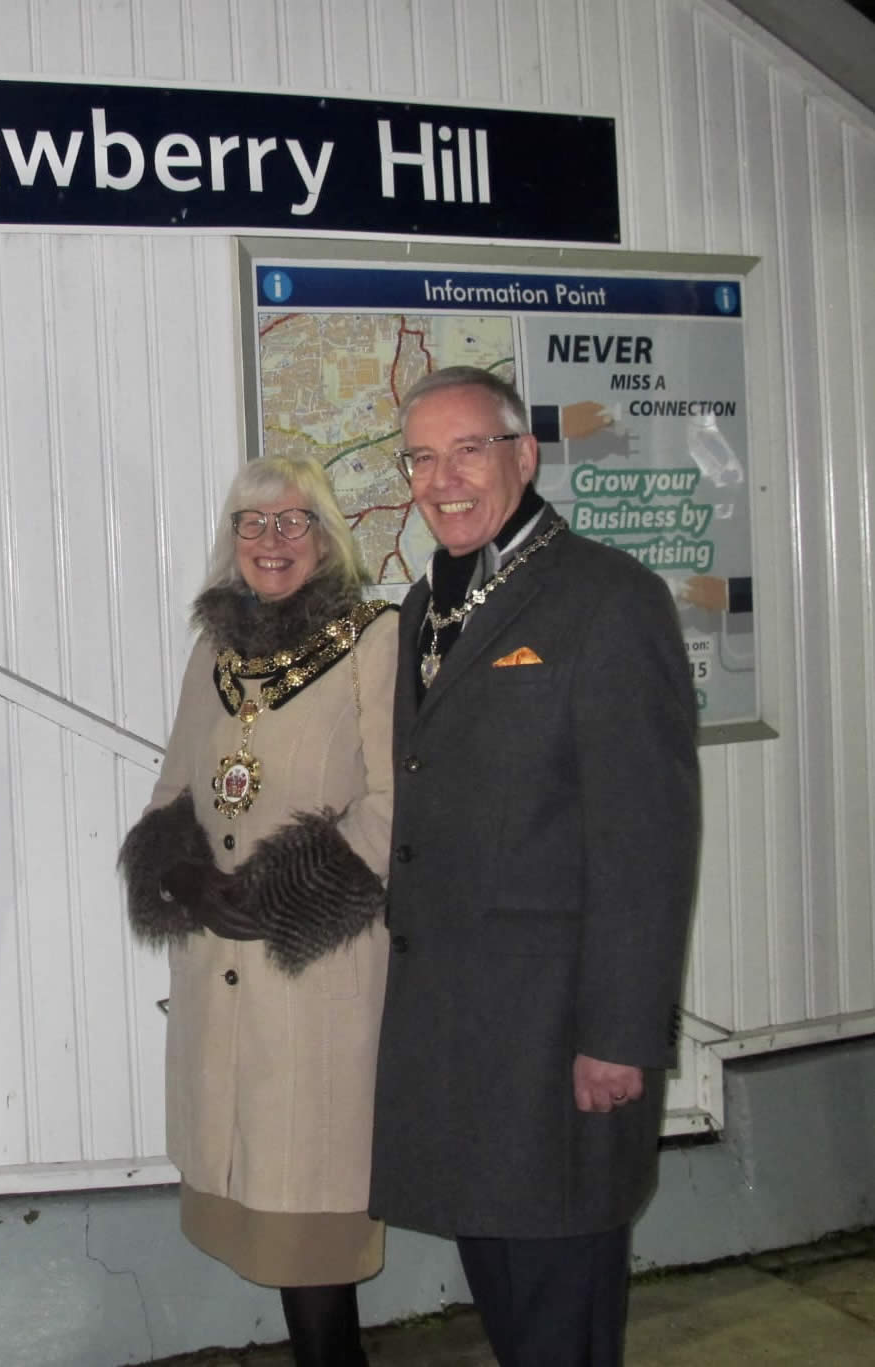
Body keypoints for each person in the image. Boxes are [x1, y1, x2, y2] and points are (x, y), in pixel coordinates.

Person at [369, 366, 700, 1366]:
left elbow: (645, 841)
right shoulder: (425, 606)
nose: (443, 479)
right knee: (512, 1311)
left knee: (562, 1317)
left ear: (525, 454)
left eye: (468, 449)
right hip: (460, 1034)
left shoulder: (607, 599)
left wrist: (619, 1035)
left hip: (558, 1041)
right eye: (422, 458)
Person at [119, 455, 398, 1367]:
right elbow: (174, 791)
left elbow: (396, 806)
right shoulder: (215, 651)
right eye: (251, 522)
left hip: (319, 982)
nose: (270, 540)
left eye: (292, 521)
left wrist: (281, 894)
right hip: (221, 984)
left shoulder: (375, 638)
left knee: (315, 1236)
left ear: (326, 535)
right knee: (271, 1226)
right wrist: (182, 875)